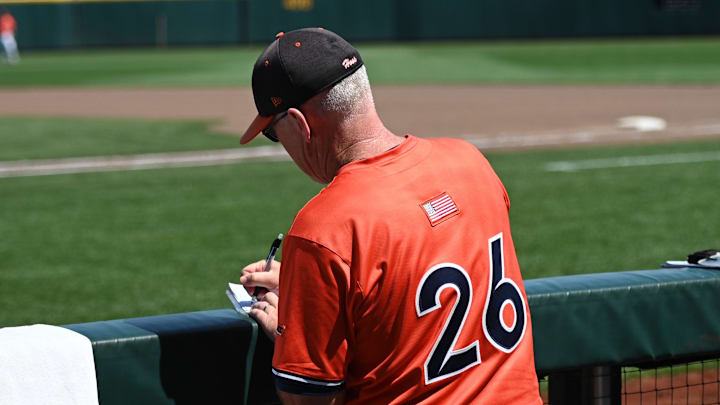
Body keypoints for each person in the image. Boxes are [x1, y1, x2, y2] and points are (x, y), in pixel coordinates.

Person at [238, 28, 542, 404]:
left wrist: (290, 328)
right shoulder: (471, 163)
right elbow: (415, 275)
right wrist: (310, 293)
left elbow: (310, 402)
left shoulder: (324, 229)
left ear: (301, 124)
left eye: (274, 132)